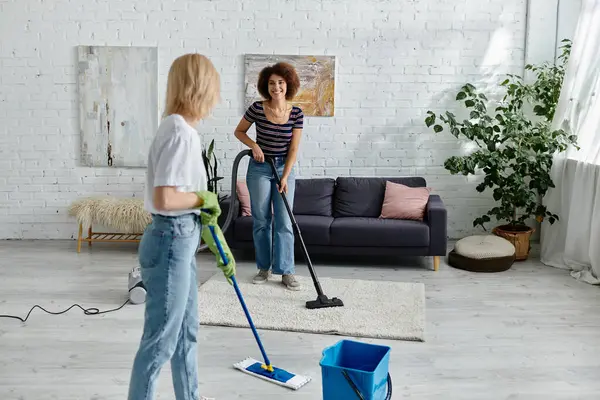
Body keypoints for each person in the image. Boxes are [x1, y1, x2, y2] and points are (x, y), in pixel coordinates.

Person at [128, 53, 236, 400]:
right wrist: (202, 199)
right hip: (171, 240)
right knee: (160, 341)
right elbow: (165, 199)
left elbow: (180, 198)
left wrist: (204, 216)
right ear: (200, 88)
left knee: (186, 333)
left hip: (181, 241)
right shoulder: (179, 132)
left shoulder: (179, 128)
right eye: (214, 90)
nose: (216, 99)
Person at [233, 62, 304, 291]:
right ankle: (264, 268)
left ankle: (286, 271)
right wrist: (254, 145)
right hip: (260, 169)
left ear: (288, 85)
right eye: (272, 83)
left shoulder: (296, 113)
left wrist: (285, 175)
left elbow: (293, 149)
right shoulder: (256, 108)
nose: (276, 87)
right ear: (266, 85)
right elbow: (239, 131)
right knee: (261, 221)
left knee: (284, 222)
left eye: (281, 83)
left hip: (284, 168)